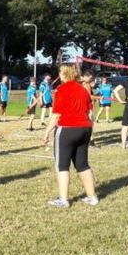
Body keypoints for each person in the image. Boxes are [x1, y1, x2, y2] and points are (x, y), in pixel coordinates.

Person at [42, 64, 98, 208]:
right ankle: (92, 197)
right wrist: (90, 131)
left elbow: (56, 115)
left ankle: (63, 199)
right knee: (83, 164)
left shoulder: (61, 90)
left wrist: (47, 131)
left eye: (60, 72)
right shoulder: (83, 89)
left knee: (62, 165)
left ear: (65, 74)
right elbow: (90, 113)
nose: (59, 75)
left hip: (67, 129)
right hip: (85, 129)